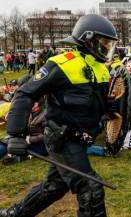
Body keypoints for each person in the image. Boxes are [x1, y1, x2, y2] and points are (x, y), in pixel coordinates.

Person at [0, 14, 118, 217]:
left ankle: (15, 214)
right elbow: (25, 93)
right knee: (90, 189)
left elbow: (97, 102)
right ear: (87, 39)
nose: (107, 48)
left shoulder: (102, 69)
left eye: (110, 44)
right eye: (104, 42)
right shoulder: (61, 63)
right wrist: (15, 133)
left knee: (55, 186)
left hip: (81, 139)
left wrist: (110, 111)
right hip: (61, 139)